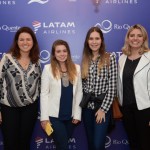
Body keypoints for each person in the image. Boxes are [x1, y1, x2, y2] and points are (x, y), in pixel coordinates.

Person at [0, 26, 41, 150]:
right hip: (9, 108)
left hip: (30, 108)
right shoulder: (7, 58)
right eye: (21, 39)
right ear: (17, 42)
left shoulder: (37, 61)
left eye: (28, 39)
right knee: (10, 144)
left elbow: (39, 84)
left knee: (25, 143)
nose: (25, 42)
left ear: (33, 42)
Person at [40, 39, 83, 150]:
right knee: (63, 146)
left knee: (61, 146)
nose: (62, 54)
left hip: (70, 116)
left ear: (68, 52)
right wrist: (44, 118)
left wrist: (77, 114)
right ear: (54, 54)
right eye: (58, 51)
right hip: (54, 117)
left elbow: (79, 92)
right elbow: (44, 94)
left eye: (64, 51)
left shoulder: (77, 68)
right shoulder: (47, 69)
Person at [81, 26, 117, 150]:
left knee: (98, 145)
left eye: (97, 38)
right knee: (91, 144)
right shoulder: (85, 59)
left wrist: (103, 109)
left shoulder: (109, 57)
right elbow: (83, 86)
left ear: (101, 40)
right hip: (87, 109)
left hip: (102, 108)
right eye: (91, 39)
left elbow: (112, 87)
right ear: (87, 41)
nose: (94, 42)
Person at [118, 24, 150, 150]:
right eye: (132, 35)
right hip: (126, 109)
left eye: (139, 35)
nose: (135, 38)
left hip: (145, 109)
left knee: (145, 144)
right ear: (128, 38)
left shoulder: (149, 57)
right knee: (133, 143)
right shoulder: (122, 58)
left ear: (144, 38)